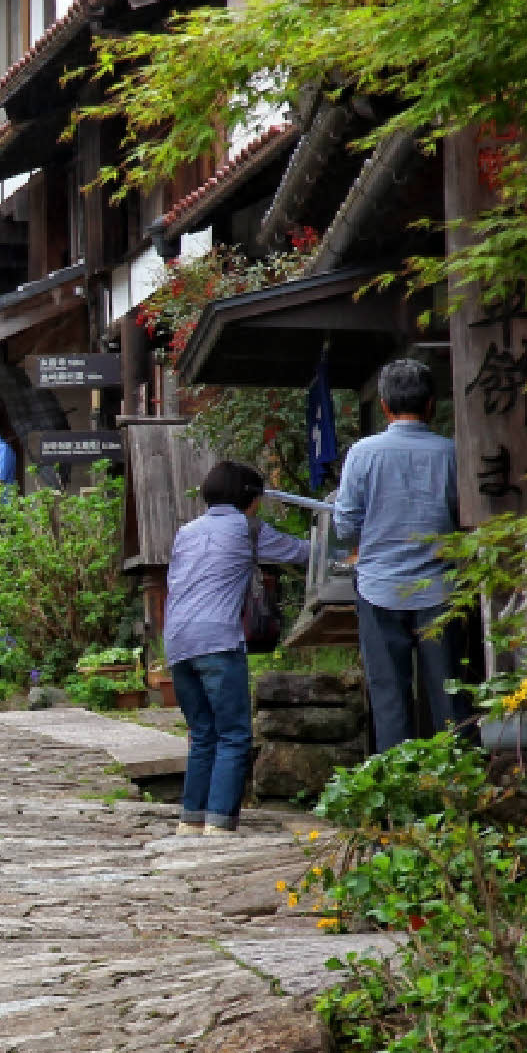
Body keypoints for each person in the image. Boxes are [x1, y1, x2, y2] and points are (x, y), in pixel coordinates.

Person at [162, 460, 312, 837]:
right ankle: (220, 823)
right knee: (233, 734)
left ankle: (191, 819)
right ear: (250, 498)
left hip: (177, 640)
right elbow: (300, 552)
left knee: (203, 732)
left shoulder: (186, 531)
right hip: (217, 640)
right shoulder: (247, 528)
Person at [334, 357, 467, 751]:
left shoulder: (363, 453)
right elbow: (466, 517)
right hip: (441, 588)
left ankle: (397, 786)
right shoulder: (452, 453)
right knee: (448, 690)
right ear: (432, 405)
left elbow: (345, 525)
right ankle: (458, 777)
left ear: (384, 406)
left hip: (378, 587)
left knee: (389, 692)